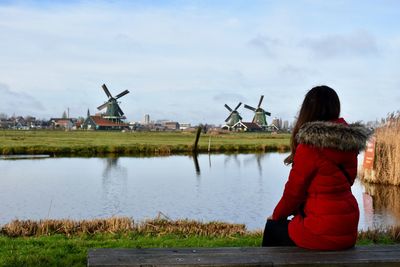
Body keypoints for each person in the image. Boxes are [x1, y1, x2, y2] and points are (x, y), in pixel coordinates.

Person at [262, 85, 372, 250]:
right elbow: (343, 182)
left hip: (324, 231)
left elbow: (293, 193)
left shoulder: (309, 147)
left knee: (273, 228)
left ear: (308, 111)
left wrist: (276, 216)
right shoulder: (349, 144)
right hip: (347, 229)